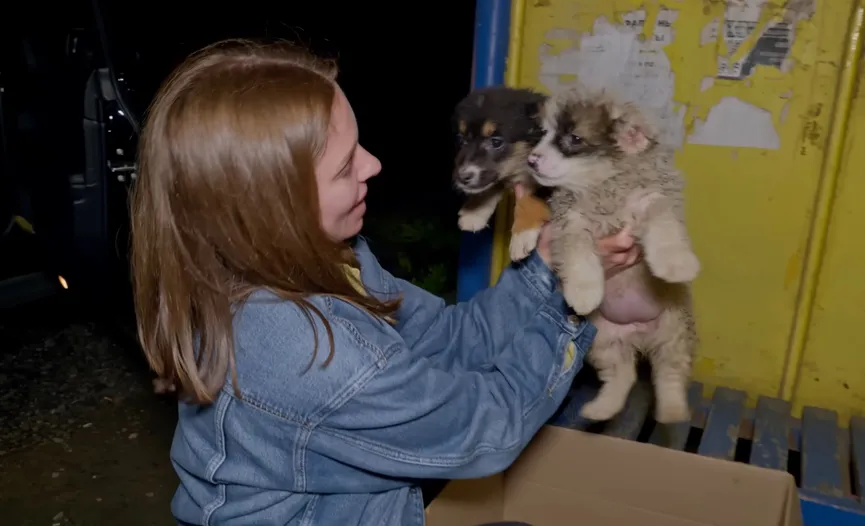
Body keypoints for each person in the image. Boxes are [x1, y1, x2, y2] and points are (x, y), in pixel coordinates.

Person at [130, 40, 640, 526]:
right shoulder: (305, 350)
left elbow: (454, 339)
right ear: (269, 205)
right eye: (345, 165)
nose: (373, 165)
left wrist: (547, 263)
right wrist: (575, 304)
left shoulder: (326, 259)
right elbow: (486, 429)